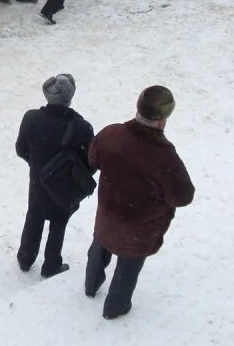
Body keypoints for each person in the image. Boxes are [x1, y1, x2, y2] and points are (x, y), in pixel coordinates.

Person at [85, 86, 195, 320]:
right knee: (128, 264)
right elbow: (183, 196)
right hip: (139, 228)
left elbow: (93, 158)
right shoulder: (164, 157)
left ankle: (90, 285)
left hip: (107, 214)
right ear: (163, 120)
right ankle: (115, 308)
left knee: (99, 247)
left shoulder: (111, 134)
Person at [15, 74, 94, 277]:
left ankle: (26, 258)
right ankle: (51, 265)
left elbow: (21, 148)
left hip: (37, 182)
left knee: (34, 216)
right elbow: (90, 163)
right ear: (70, 97)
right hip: (64, 187)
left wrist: (38, 167)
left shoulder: (31, 118)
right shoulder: (82, 127)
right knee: (59, 222)